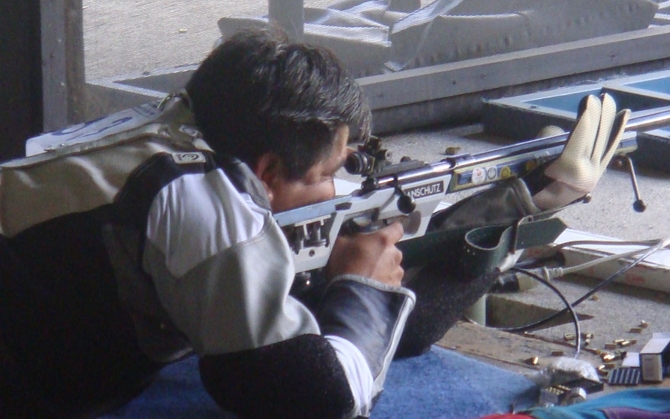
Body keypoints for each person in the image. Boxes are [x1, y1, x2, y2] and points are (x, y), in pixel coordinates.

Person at [0, 27, 627, 418]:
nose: (337, 192)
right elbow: (315, 398)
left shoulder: (173, 132)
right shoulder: (203, 203)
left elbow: (399, 333)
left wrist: (524, 204)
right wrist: (362, 290)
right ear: (268, 169)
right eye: (328, 173)